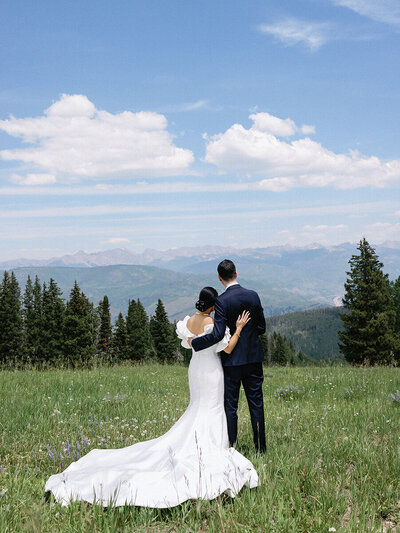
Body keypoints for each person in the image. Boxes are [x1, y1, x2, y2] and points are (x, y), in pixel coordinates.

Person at [44, 287, 258, 508]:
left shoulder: (190, 321)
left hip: (195, 369)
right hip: (211, 372)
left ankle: (202, 442)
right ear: (214, 306)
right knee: (211, 409)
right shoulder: (211, 325)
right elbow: (228, 349)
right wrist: (239, 328)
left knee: (197, 407)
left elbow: (189, 343)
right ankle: (211, 446)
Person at [189, 259, 266, 453]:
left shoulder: (222, 301)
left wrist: (194, 343)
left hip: (231, 362)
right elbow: (261, 328)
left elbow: (217, 335)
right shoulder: (254, 296)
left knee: (231, 406)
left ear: (219, 278)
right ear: (236, 273)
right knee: (256, 404)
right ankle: (261, 449)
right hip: (254, 358)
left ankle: (231, 445)